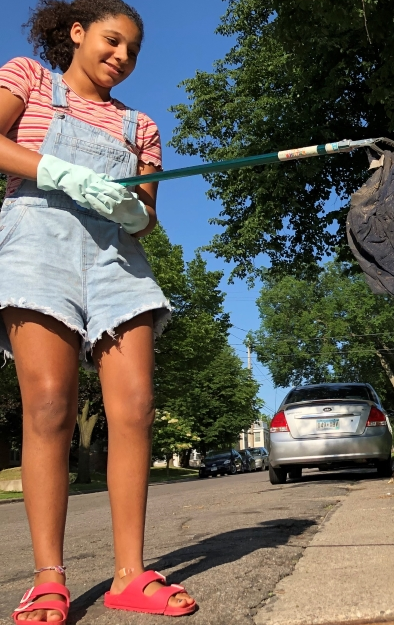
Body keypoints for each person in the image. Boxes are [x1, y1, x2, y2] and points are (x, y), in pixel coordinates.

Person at [0, 0, 196, 621]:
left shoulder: (141, 126)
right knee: (51, 405)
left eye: (134, 52)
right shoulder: (28, 78)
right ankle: (49, 577)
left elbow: (146, 215)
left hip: (115, 258)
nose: (123, 58)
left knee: (136, 405)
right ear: (77, 33)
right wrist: (58, 170)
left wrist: (135, 211)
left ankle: (130, 575)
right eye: (113, 42)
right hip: (38, 239)